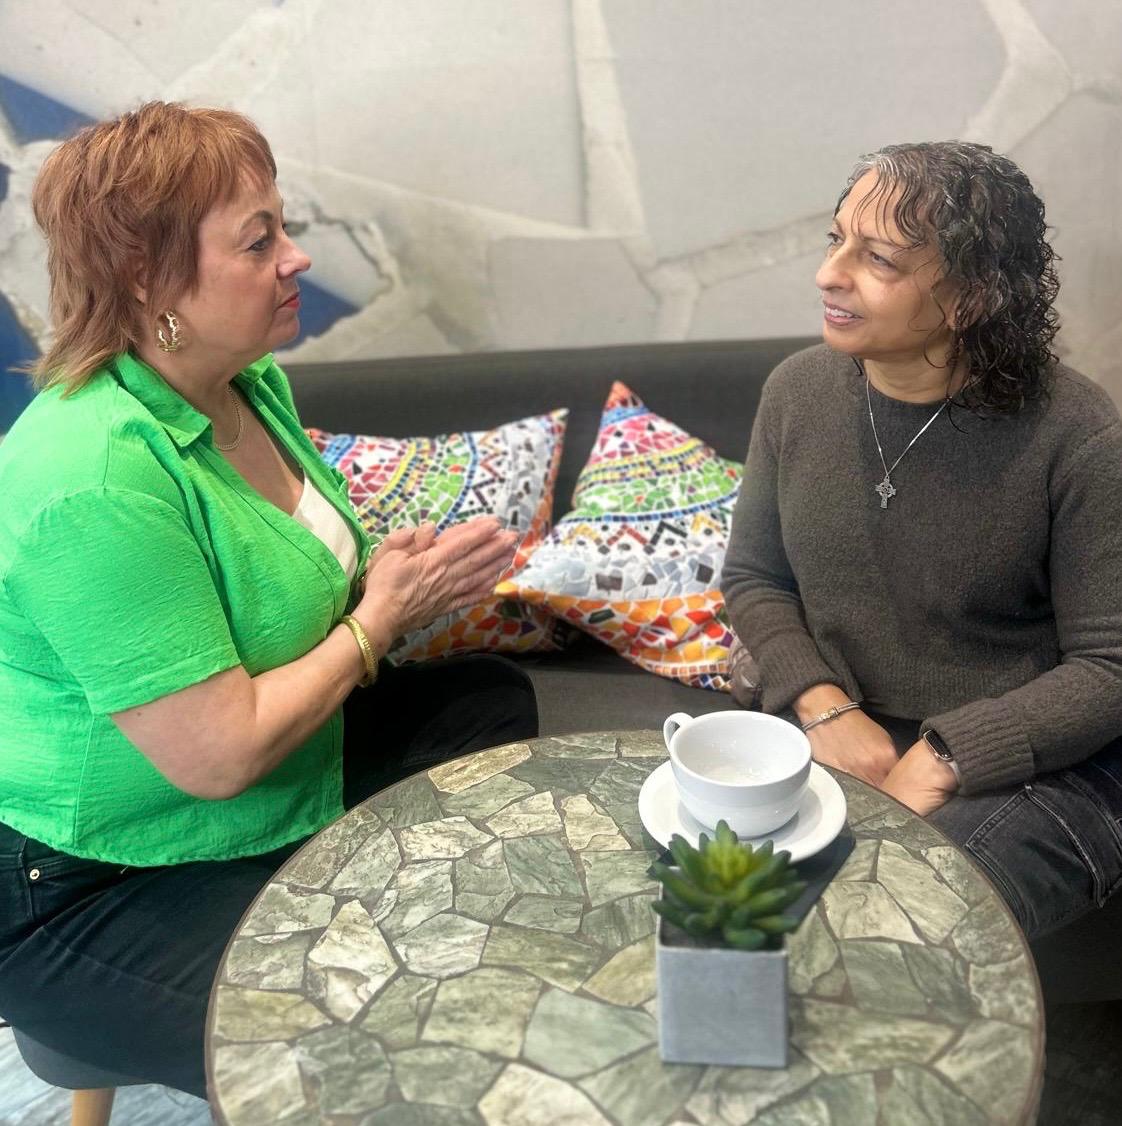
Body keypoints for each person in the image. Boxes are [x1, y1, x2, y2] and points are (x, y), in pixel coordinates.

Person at [0, 102, 538, 1096]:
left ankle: (411, 952)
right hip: (90, 878)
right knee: (346, 1040)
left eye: (283, 227)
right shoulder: (91, 479)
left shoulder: (247, 384)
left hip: (268, 784)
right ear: (146, 276)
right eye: (259, 242)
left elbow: (271, 585)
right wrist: (378, 619)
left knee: (488, 704)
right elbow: (218, 754)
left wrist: (396, 580)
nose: (296, 258)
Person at [721, 141, 1122, 940]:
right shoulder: (797, 392)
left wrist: (946, 755)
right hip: (844, 722)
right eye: (836, 240)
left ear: (970, 297)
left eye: (879, 259)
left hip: (1030, 758)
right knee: (713, 890)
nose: (829, 274)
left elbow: (1110, 665)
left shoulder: (1076, 433)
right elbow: (756, 578)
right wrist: (824, 708)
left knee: (894, 924)